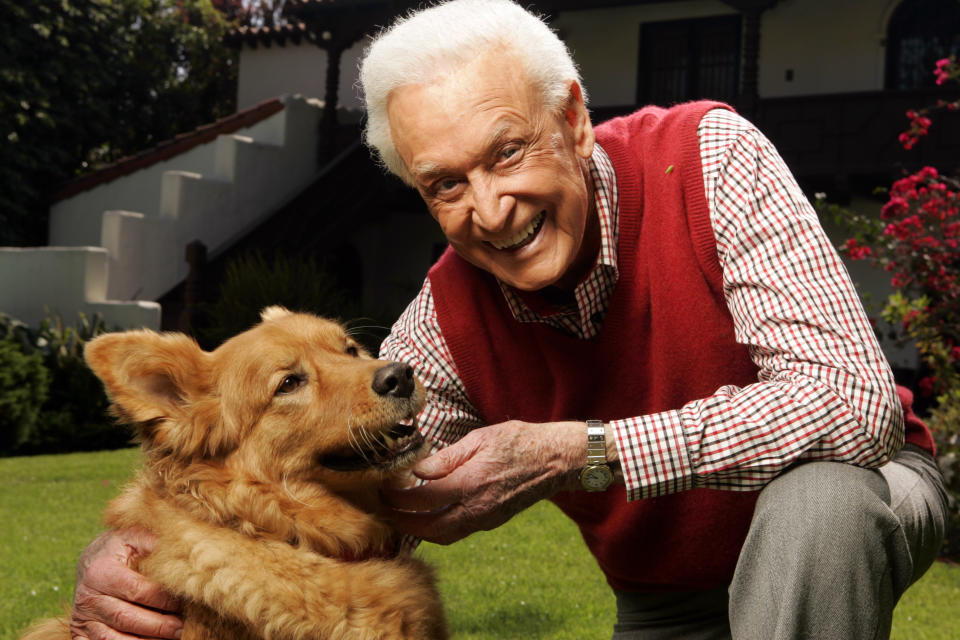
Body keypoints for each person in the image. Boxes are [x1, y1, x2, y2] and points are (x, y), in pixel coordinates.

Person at [68, 1, 948, 638]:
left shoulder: (705, 156)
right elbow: (294, 463)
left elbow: (853, 407)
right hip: (665, 590)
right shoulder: (447, 316)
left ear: (571, 120)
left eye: (507, 152)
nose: (489, 209)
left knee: (817, 502)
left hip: (868, 490)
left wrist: (581, 450)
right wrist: (133, 555)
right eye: (445, 184)